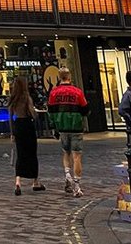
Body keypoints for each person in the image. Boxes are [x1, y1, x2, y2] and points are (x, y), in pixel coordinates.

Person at [47, 67, 88, 198]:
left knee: (66, 153)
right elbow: (85, 109)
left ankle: (67, 174)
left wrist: (54, 126)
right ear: (69, 77)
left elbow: (51, 112)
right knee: (77, 156)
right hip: (76, 127)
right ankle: (77, 185)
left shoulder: (54, 93)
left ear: (59, 77)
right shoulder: (77, 92)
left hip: (62, 127)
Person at [8, 76, 45, 195]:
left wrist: (12, 132)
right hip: (27, 125)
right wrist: (35, 112)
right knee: (32, 153)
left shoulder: (13, 99)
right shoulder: (26, 97)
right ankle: (35, 181)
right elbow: (33, 114)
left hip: (18, 125)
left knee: (21, 154)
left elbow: (10, 117)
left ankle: (18, 181)